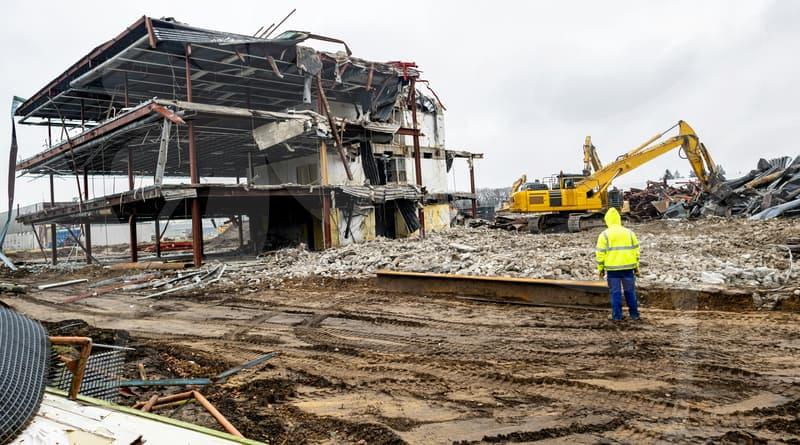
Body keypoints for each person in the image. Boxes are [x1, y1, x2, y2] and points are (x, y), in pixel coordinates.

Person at [595, 208, 641, 321]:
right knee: (630, 292)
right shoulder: (629, 233)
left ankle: (617, 317)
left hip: (613, 270)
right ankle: (634, 315)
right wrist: (636, 268)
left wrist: (601, 269)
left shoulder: (604, 235)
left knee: (615, 293)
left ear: (607, 220)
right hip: (628, 268)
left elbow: (600, 254)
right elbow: (636, 251)